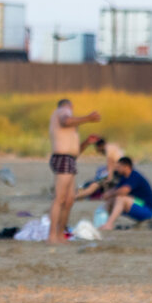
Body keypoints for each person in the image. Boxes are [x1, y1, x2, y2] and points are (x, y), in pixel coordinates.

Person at [47, 98, 101, 245]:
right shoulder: (63, 111)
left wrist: (86, 143)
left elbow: (75, 153)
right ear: (70, 106)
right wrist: (88, 118)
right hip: (62, 158)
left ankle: (59, 234)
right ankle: (52, 236)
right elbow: (66, 121)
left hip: (69, 160)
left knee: (69, 199)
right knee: (59, 198)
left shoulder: (70, 125)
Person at [101, 157, 152, 230]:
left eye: (119, 167)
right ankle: (106, 222)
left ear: (126, 166)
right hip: (137, 202)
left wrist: (110, 194)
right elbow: (116, 189)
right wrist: (107, 194)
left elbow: (124, 191)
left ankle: (109, 224)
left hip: (145, 207)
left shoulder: (134, 176)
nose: (117, 169)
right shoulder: (124, 177)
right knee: (111, 199)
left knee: (121, 198)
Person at [75, 135, 125, 201]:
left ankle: (75, 196)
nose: (98, 151)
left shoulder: (108, 148)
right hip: (119, 171)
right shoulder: (112, 146)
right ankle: (79, 193)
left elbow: (111, 163)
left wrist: (109, 177)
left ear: (100, 146)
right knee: (99, 173)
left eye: (97, 148)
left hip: (116, 172)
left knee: (94, 185)